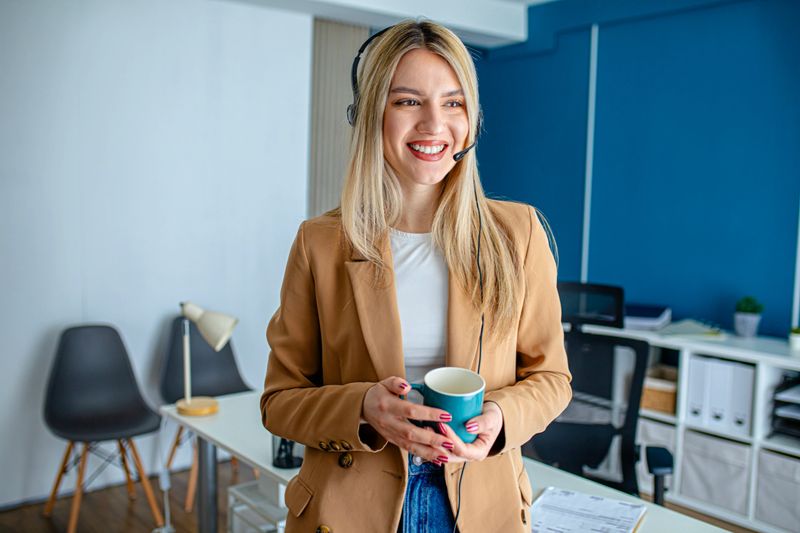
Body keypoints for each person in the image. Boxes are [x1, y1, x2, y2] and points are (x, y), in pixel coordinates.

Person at [260, 19, 571, 533]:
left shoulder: (518, 233)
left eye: (453, 103)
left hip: (479, 503)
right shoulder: (319, 243)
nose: (434, 124)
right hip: (350, 505)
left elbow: (552, 379)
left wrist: (498, 418)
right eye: (408, 101)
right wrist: (362, 407)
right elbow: (279, 401)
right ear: (370, 115)